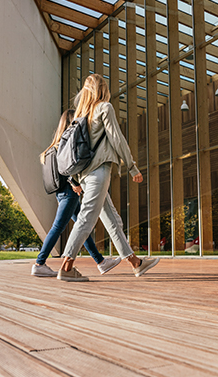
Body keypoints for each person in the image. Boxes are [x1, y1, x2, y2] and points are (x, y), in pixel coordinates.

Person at [57, 74, 159, 282]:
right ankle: (66, 267)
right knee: (86, 218)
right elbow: (117, 138)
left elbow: (74, 152)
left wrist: (75, 180)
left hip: (85, 176)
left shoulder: (80, 116)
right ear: (103, 89)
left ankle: (136, 263)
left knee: (112, 219)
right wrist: (131, 167)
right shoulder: (104, 108)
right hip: (98, 173)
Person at [33, 109, 120, 277]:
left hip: (60, 192)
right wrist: (74, 183)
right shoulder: (64, 145)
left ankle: (101, 262)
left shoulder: (53, 147)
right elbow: (65, 169)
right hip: (69, 192)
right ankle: (39, 263)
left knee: (82, 227)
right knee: (59, 227)